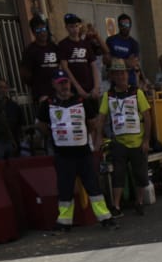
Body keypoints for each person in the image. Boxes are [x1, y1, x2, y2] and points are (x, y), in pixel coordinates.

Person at [43, 72, 115, 231]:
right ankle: (64, 222)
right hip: (63, 155)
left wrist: (92, 139)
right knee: (65, 189)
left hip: (83, 153)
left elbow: (92, 123)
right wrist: (54, 135)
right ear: (54, 84)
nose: (64, 86)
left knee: (93, 186)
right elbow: (41, 124)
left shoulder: (81, 101)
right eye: (60, 83)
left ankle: (105, 217)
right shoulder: (48, 103)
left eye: (66, 82)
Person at [99, 59, 153, 215]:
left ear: (127, 74)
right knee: (118, 173)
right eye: (117, 73)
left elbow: (148, 117)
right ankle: (116, 206)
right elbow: (101, 117)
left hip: (137, 141)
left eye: (123, 73)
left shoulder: (137, 93)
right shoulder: (108, 95)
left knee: (140, 174)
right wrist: (99, 137)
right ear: (112, 76)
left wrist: (146, 140)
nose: (121, 76)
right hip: (119, 142)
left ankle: (139, 201)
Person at [57, 13, 105, 125]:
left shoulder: (86, 44)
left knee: (95, 120)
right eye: (71, 26)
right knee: (79, 121)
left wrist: (96, 87)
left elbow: (94, 65)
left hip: (90, 88)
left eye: (76, 26)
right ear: (66, 28)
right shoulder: (63, 44)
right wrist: (78, 88)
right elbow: (65, 68)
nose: (74, 29)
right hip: (74, 91)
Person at [22, 20, 61, 107]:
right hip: (41, 95)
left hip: (58, 93)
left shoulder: (54, 47)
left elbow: (61, 66)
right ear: (33, 33)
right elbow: (25, 75)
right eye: (38, 30)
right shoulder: (30, 51)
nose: (42, 32)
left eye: (44, 29)